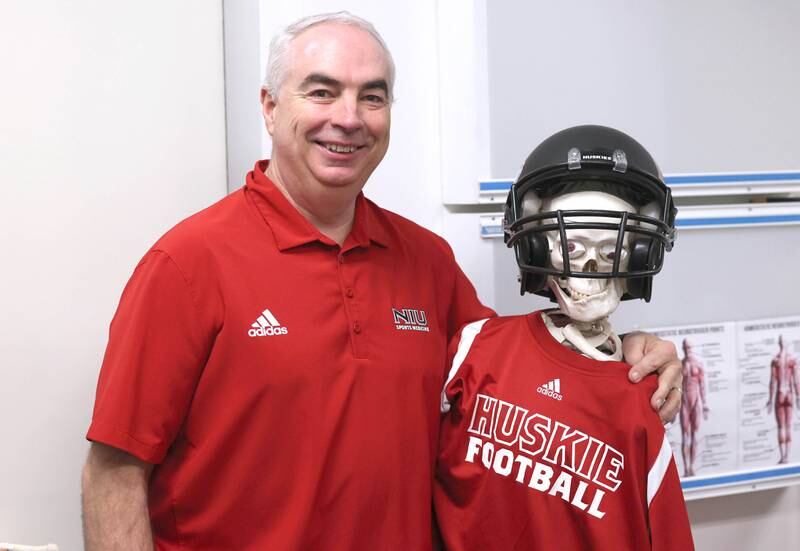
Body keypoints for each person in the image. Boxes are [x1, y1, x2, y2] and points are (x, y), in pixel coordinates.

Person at [81, 13, 683, 551]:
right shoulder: (188, 263)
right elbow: (113, 470)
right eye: (322, 91)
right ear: (269, 106)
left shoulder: (425, 261)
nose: (348, 118)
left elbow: (520, 376)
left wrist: (621, 347)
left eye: (372, 97)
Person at [434, 125, 694, 550]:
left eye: (611, 251)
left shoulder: (639, 396)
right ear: (537, 246)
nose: (592, 265)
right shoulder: (474, 348)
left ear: (641, 253)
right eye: (572, 249)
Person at [766, 335, 799, 464]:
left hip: (780, 393)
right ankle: (787, 456)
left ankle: (783, 458)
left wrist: (770, 399)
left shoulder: (775, 360)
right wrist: (798, 396)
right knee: (788, 426)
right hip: (790, 394)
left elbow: (773, 381)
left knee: (781, 427)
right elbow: (796, 380)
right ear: (787, 343)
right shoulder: (792, 359)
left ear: (779, 343)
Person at [679, 338, 709, 476]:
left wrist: (705, 404)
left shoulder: (698, 364)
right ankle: (686, 468)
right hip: (684, 401)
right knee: (685, 436)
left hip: (695, 400)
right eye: (685, 348)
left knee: (694, 435)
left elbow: (702, 386)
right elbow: (675, 386)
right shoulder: (680, 365)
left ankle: (691, 466)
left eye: (689, 348)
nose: (687, 350)